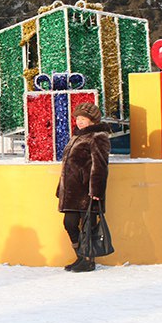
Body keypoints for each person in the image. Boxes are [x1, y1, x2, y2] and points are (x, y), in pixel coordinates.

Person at [56, 102, 110, 273]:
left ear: (92, 120)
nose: (79, 122)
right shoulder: (77, 137)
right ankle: (81, 256)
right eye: (77, 118)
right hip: (72, 192)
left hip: (87, 192)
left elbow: (100, 166)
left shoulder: (98, 137)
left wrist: (96, 191)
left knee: (88, 228)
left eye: (83, 119)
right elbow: (68, 166)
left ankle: (88, 261)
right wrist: (61, 188)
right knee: (70, 223)